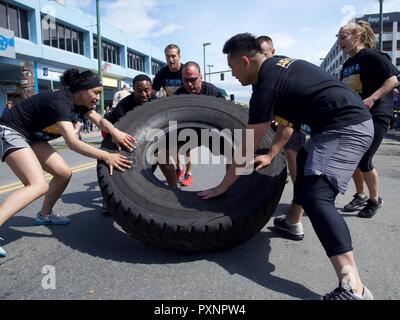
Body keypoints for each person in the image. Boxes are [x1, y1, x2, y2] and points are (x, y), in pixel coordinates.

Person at [199, 33, 375, 300]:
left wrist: (223, 185)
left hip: (345, 128)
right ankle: (292, 222)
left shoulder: (264, 86)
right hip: (333, 127)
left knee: (318, 198)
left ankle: (355, 289)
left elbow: (245, 147)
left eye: (233, 68)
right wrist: (271, 154)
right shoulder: (281, 67)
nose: (233, 75)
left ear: (246, 61)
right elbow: (288, 125)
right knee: (304, 164)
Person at [0, 68, 135, 258]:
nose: (97, 97)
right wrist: (106, 156)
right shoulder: (61, 102)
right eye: (95, 93)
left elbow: (100, 121)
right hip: (10, 130)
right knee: (38, 185)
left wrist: (115, 132)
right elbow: (72, 143)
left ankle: (44, 215)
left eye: (100, 94)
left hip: (31, 136)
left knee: (63, 173)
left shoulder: (80, 103)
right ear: (81, 89)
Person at [338, 21, 399, 218]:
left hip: (378, 113)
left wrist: (373, 98)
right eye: (338, 38)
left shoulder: (373, 56)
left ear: (358, 36)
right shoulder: (346, 64)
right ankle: (360, 195)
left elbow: (392, 80)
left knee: (364, 158)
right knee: (352, 159)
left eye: (343, 37)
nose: (340, 42)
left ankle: (375, 200)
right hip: (355, 117)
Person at [257, 35, 307, 241]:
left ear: (273, 52)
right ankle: (300, 209)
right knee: (296, 166)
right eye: (259, 55)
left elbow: (287, 121)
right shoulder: (264, 74)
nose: (263, 59)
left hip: (296, 123)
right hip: (285, 122)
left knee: (298, 167)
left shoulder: (281, 69)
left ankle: (297, 216)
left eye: (266, 53)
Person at [174, 61, 224, 187]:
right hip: (188, 127)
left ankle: (229, 184)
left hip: (209, 127)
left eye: (193, 80)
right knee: (179, 147)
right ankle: (182, 170)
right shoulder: (179, 94)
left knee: (227, 151)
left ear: (201, 77)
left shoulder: (212, 92)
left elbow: (225, 114)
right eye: (186, 80)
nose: (189, 84)